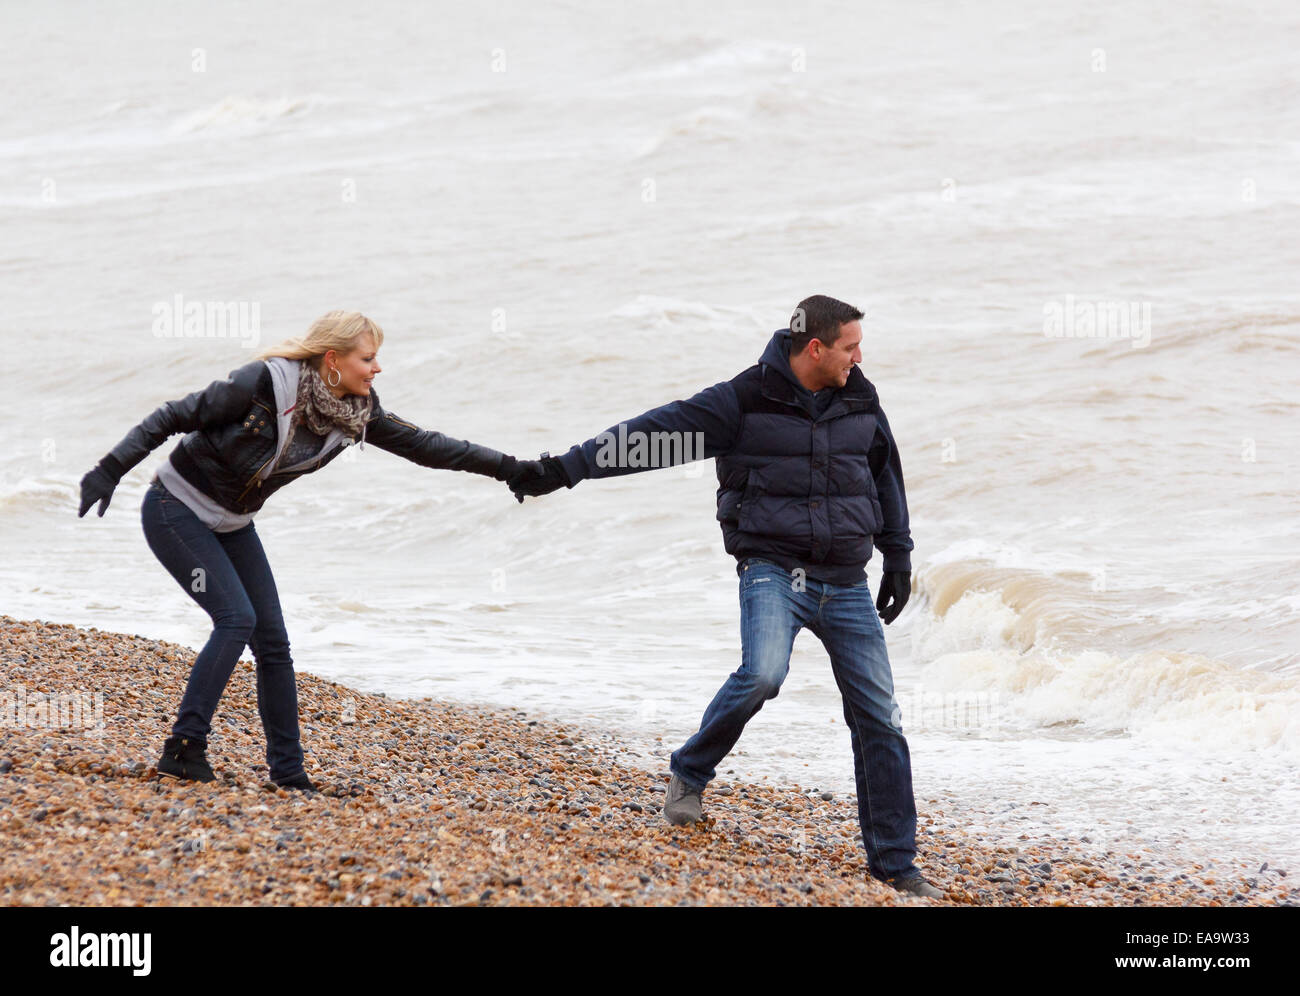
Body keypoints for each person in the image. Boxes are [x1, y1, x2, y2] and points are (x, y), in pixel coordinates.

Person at [511, 294, 943, 898]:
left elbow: (884, 474)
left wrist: (898, 556)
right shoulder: (743, 400)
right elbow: (652, 435)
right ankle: (690, 769)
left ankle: (895, 863)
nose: (860, 357)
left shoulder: (860, 398)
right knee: (764, 673)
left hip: (846, 580)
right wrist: (566, 469)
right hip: (772, 568)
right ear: (814, 347)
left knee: (880, 719)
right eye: (851, 346)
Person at [78, 310, 543, 791]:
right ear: (333, 359)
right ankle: (183, 749)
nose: (377, 368)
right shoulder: (261, 384)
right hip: (175, 509)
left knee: (274, 643)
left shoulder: (356, 411)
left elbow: (427, 445)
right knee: (237, 619)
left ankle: (288, 774)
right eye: (368, 358)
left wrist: (511, 469)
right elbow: (173, 415)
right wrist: (109, 469)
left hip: (234, 523)